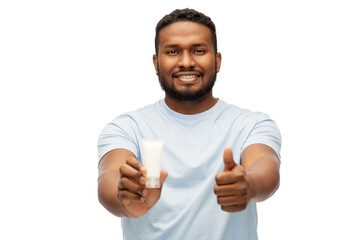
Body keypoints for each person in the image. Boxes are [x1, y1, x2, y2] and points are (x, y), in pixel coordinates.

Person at [97, 8, 281, 240]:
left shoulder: (251, 124)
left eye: (199, 50)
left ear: (217, 60)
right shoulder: (128, 127)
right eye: (173, 51)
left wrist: (249, 185)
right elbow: (108, 178)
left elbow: (266, 166)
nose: (186, 62)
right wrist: (124, 198)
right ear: (156, 62)